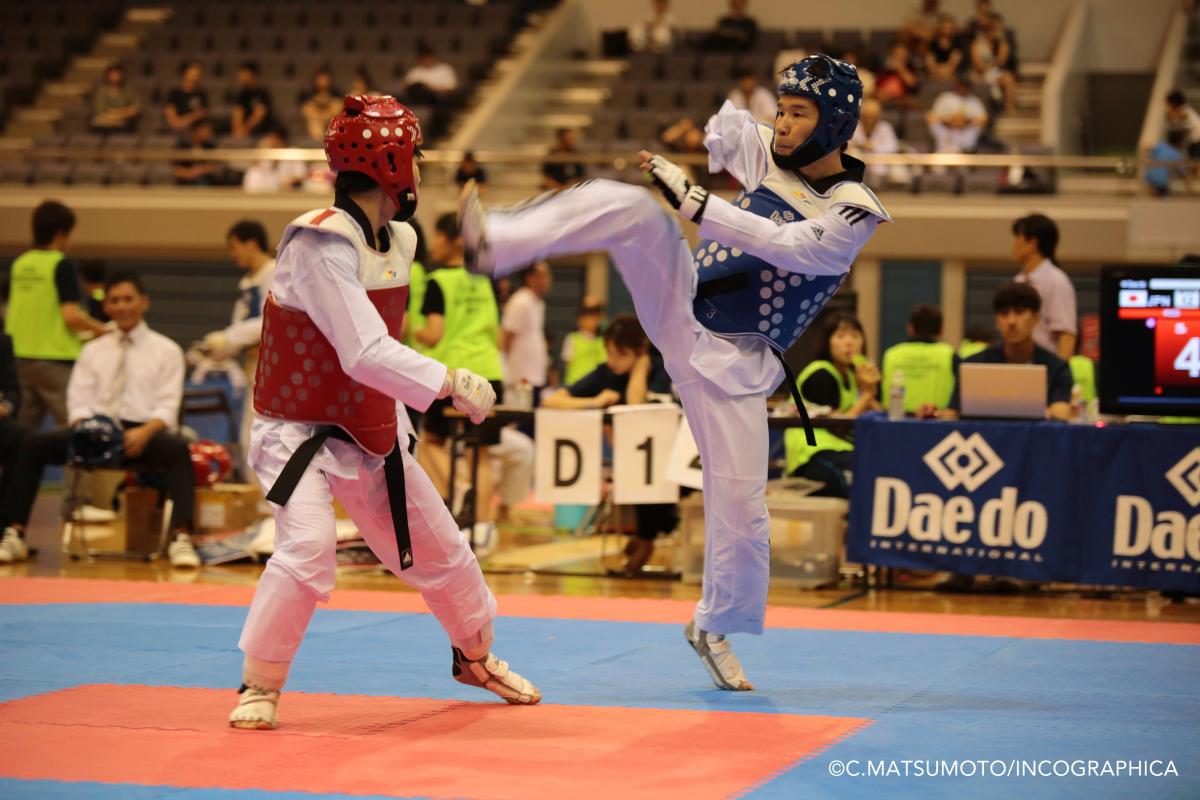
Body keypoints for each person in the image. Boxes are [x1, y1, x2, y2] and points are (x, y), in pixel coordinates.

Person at [460, 54, 890, 691]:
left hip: (740, 365)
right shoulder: (768, 155)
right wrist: (703, 144)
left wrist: (696, 200)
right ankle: (498, 242)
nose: (784, 123)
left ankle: (713, 627)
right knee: (632, 210)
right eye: (783, 108)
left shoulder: (856, 209)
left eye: (800, 113)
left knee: (743, 512)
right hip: (684, 306)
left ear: (836, 124)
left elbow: (790, 246)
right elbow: (728, 131)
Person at [229, 95, 539, 732]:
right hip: (298, 429)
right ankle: (259, 683)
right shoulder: (319, 241)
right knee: (309, 548)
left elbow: (383, 342)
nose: (420, 173)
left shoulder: (403, 238)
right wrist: (450, 382)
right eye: (416, 159)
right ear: (394, 164)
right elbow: (364, 350)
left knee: (445, 552)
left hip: (371, 425)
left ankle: (474, 657)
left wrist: (430, 386)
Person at [0, 273, 200, 567]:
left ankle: (181, 537)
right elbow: (78, 401)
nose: (121, 306)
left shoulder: (166, 350)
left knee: (178, 449)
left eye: (128, 299)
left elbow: (168, 406)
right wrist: (86, 429)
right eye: (114, 300)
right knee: (33, 443)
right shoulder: (93, 350)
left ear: (144, 302)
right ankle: (13, 532)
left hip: (141, 433)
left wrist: (145, 432)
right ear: (105, 307)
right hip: (92, 432)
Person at [544, 314, 677, 572]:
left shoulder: (661, 368)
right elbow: (553, 400)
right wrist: (594, 402)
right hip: (631, 464)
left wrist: (641, 366)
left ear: (640, 351)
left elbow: (637, 405)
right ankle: (645, 537)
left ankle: (647, 537)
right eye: (609, 353)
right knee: (638, 473)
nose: (612, 361)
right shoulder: (605, 373)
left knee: (648, 476)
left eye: (621, 355)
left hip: (668, 462)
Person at [413, 213, 506, 535]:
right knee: (480, 452)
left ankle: (461, 487)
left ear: (452, 240)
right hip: (491, 373)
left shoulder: (437, 282)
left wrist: (413, 330)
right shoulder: (485, 279)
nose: (434, 244)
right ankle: (483, 528)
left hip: (455, 377)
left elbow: (435, 334)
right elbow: (498, 331)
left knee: (430, 443)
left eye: (438, 236)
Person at [5, 200, 107, 426]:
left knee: (21, 433)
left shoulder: (19, 263)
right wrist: (105, 331)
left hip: (18, 359)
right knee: (73, 426)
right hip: (55, 360)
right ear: (61, 233)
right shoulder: (61, 264)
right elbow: (71, 316)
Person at [198, 220, 277, 475]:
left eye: (234, 247)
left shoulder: (275, 273)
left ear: (251, 244)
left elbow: (273, 319)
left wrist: (228, 339)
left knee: (271, 440)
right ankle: (258, 505)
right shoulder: (247, 285)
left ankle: (272, 506)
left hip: (277, 371)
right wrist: (213, 350)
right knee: (250, 439)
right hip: (254, 370)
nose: (232, 254)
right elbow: (238, 330)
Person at [943, 282, 1073, 421]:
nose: (1011, 321)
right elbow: (952, 413)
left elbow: (1061, 413)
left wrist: (1053, 413)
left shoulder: (1057, 368)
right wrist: (932, 414)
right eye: (1004, 314)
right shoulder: (972, 365)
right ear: (996, 321)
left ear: (1036, 318)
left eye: (1019, 312)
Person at [784, 314, 879, 496]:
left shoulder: (852, 376)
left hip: (840, 450)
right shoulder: (820, 374)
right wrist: (866, 395)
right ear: (827, 342)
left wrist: (870, 389)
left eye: (855, 336)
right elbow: (837, 425)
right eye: (841, 336)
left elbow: (874, 411)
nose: (849, 343)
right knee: (858, 480)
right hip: (812, 454)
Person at [1011, 213, 1077, 359]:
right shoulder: (1018, 280)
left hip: (1046, 368)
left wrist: (1058, 375)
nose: (1013, 244)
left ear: (1032, 243)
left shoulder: (1056, 281)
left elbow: (1066, 336)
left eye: (1017, 238)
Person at [882, 304, 955, 416]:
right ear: (941, 330)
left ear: (910, 328)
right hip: (937, 424)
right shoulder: (950, 354)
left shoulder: (891, 354)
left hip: (895, 423)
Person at [0, 332, 32, 563]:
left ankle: (10, 529)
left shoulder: (2, 341)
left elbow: (13, 392)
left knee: (26, 439)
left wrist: (5, 407)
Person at [501, 262, 551, 401]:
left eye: (547, 275)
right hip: (521, 378)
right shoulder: (520, 301)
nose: (547, 279)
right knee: (521, 420)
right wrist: (508, 372)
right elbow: (506, 337)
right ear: (530, 278)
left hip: (535, 375)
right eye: (543, 275)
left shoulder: (538, 303)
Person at [926, 74, 987, 154]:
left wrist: (965, 120)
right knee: (934, 124)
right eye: (962, 85)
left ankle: (960, 152)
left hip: (965, 131)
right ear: (957, 84)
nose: (964, 87)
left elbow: (983, 119)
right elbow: (930, 116)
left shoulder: (974, 101)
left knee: (976, 128)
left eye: (966, 85)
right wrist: (950, 120)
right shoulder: (946, 97)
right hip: (946, 130)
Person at [849, 98, 902, 186]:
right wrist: (858, 145)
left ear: (878, 116)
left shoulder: (885, 127)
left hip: (879, 160)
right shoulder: (854, 127)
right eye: (867, 116)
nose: (869, 119)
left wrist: (874, 146)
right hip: (859, 159)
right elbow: (846, 144)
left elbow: (893, 146)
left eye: (872, 116)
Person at [242, 125, 309, 193]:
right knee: (254, 172)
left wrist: (288, 182)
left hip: (290, 190)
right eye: (270, 138)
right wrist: (262, 149)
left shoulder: (293, 152)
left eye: (274, 139)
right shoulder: (267, 151)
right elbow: (255, 165)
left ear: (281, 139)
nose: (272, 141)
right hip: (269, 189)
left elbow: (301, 175)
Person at [561, 296, 608, 386]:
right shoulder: (572, 338)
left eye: (596, 315)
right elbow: (566, 362)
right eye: (589, 315)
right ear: (580, 319)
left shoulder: (604, 340)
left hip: (597, 388)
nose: (593, 319)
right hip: (575, 387)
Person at [91, 63, 141, 133]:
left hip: (124, 120)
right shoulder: (102, 91)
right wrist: (116, 113)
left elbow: (136, 108)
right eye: (112, 74)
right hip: (105, 120)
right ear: (107, 76)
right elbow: (100, 110)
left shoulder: (128, 90)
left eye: (117, 74)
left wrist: (119, 114)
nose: (115, 77)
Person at [163, 60, 208, 135]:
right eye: (193, 72)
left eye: (198, 73)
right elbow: (172, 120)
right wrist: (190, 118)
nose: (196, 75)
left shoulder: (201, 94)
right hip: (176, 132)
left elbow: (201, 114)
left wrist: (183, 121)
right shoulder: (174, 94)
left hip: (196, 132)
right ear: (185, 73)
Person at [1144, 129, 1193, 197]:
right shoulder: (1176, 155)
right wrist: (1190, 189)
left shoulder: (1160, 145)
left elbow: (1151, 154)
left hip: (1148, 177)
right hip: (1161, 182)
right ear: (1179, 143)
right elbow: (1184, 174)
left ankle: (1154, 192)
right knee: (1168, 196)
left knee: (1156, 191)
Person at [231, 61, 273, 139]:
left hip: (262, 132)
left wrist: (246, 128)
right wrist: (237, 128)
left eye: (243, 73)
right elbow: (238, 112)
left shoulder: (262, 92)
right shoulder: (241, 93)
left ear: (252, 74)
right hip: (245, 133)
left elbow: (260, 113)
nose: (240, 76)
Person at [173, 119, 220, 186]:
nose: (207, 132)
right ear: (195, 131)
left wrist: (200, 170)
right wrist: (187, 173)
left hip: (204, 179)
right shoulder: (182, 145)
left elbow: (214, 166)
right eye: (204, 130)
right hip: (185, 179)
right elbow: (175, 167)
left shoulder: (210, 146)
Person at [300, 66, 340, 141]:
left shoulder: (337, 99)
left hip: (332, 129)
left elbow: (336, 114)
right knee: (315, 126)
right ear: (315, 80)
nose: (323, 83)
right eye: (320, 79)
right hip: (313, 132)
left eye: (325, 79)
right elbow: (307, 112)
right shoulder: (307, 98)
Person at [924, 15, 965, 82]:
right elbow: (930, 66)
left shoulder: (957, 45)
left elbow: (952, 67)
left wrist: (942, 70)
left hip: (950, 79)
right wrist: (939, 70)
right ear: (940, 28)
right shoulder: (932, 44)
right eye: (945, 28)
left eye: (950, 28)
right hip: (934, 79)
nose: (947, 31)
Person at [1165, 89, 1200, 159]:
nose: (1168, 106)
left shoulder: (1182, 111)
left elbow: (1176, 126)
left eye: (1169, 104)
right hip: (1194, 140)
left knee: (1194, 163)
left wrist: (1170, 117)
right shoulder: (1185, 109)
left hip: (1197, 140)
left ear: (1174, 103)